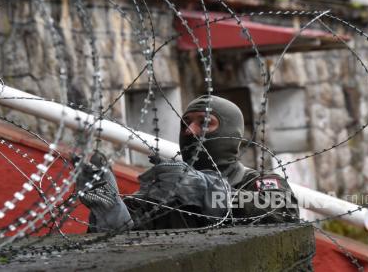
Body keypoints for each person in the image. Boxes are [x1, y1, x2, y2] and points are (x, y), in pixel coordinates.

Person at [75, 95, 299, 233]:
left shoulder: (258, 183)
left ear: (231, 134)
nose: (190, 131)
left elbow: (283, 215)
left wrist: (206, 191)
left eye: (205, 123)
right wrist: (110, 211)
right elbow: (121, 248)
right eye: (185, 124)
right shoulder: (165, 194)